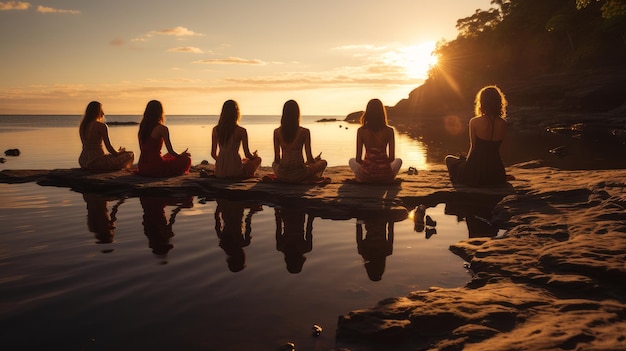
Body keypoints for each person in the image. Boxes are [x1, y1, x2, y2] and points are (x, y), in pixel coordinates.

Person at [445, 85, 508, 187]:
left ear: (482, 102)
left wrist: (467, 164)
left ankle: (459, 181)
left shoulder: (474, 121)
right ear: (499, 102)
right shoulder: (503, 123)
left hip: (477, 171)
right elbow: (497, 149)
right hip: (496, 171)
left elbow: (473, 147)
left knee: (449, 159)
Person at [272, 100, 327, 183]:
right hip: (299, 174)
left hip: (282, 174)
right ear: (297, 114)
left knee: (274, 164)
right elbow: (309, 159)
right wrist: (316, 160)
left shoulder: (277, 132)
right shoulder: (304, 132)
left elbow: (276, 159)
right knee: (323, 162)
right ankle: (313, 176)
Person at [349, 99, 402, 183]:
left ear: (368, 113)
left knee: (351, 161)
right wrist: (380, 165)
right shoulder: (389, 131)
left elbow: (358, 159)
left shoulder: (361, 131)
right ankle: (387, 177)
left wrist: (370, 166)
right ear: (382, 113)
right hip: (385, 176)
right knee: (399, 161)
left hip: (367, 176)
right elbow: (392, 158)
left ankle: (363, 177)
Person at [136, 100, 192, 177]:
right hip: (155, 167)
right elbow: (171, 150)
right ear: (160, 113)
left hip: (142, 166)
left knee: (169, 155)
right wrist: (181, 156)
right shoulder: (162, 128)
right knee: (187, 159)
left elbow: (143, 150)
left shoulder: (142, 128)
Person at [211, 100, 262, 179]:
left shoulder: (216, 129)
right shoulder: (241, 131)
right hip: (235, 171)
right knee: (257, 159)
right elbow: (247, 154)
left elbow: (213, 154)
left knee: (244, 161)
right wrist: (255, 157)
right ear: (236, 113)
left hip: (220, 171)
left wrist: (222, 162)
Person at [78, 101, 134, 171]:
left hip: (83, 161)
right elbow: (109, 148)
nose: (103, 113)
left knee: (111, 156)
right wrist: (120, 153)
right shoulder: (101, 126)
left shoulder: (83, 126)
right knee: (130, 154)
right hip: (97, 162)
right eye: (101, 110)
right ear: (97, 112)